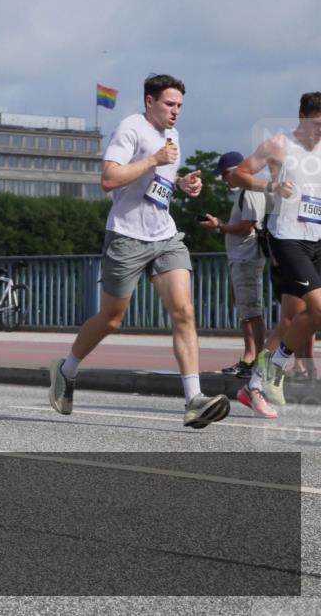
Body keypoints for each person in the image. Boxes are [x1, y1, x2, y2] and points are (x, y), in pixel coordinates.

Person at [47, 74, 230, 428]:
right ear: (150, 102)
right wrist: (153, 160)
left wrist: (181, 184)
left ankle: (194, 399)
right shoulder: (130, 129)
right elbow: (109, 180)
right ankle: (67, 369)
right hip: (126, 236)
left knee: (184, 311)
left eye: (179, 106)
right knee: (112, 319)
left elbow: (157, 186)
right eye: (169, 104)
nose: (176, 112)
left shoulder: (173, 136)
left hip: (164, 235)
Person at [230, 91, 321, 415]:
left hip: (316, 240)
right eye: (317, 125)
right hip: (286, 238)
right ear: (302, 117)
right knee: (317, 309)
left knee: (293, 319)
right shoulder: (279, 145)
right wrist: (270, 187)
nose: (319, 133)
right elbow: (237, 174)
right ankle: (275, 370)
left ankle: (254, 385)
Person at [198, 152, 265, 379]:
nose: (225, 180)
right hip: (241, 256)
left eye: (226, 175)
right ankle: (250, 358)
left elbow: (247, 226)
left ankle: (256, 361)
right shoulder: (245, 193)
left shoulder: (250, 191)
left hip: (247, 256)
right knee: (246, 310)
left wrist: (220, 226)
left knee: (252, 311)